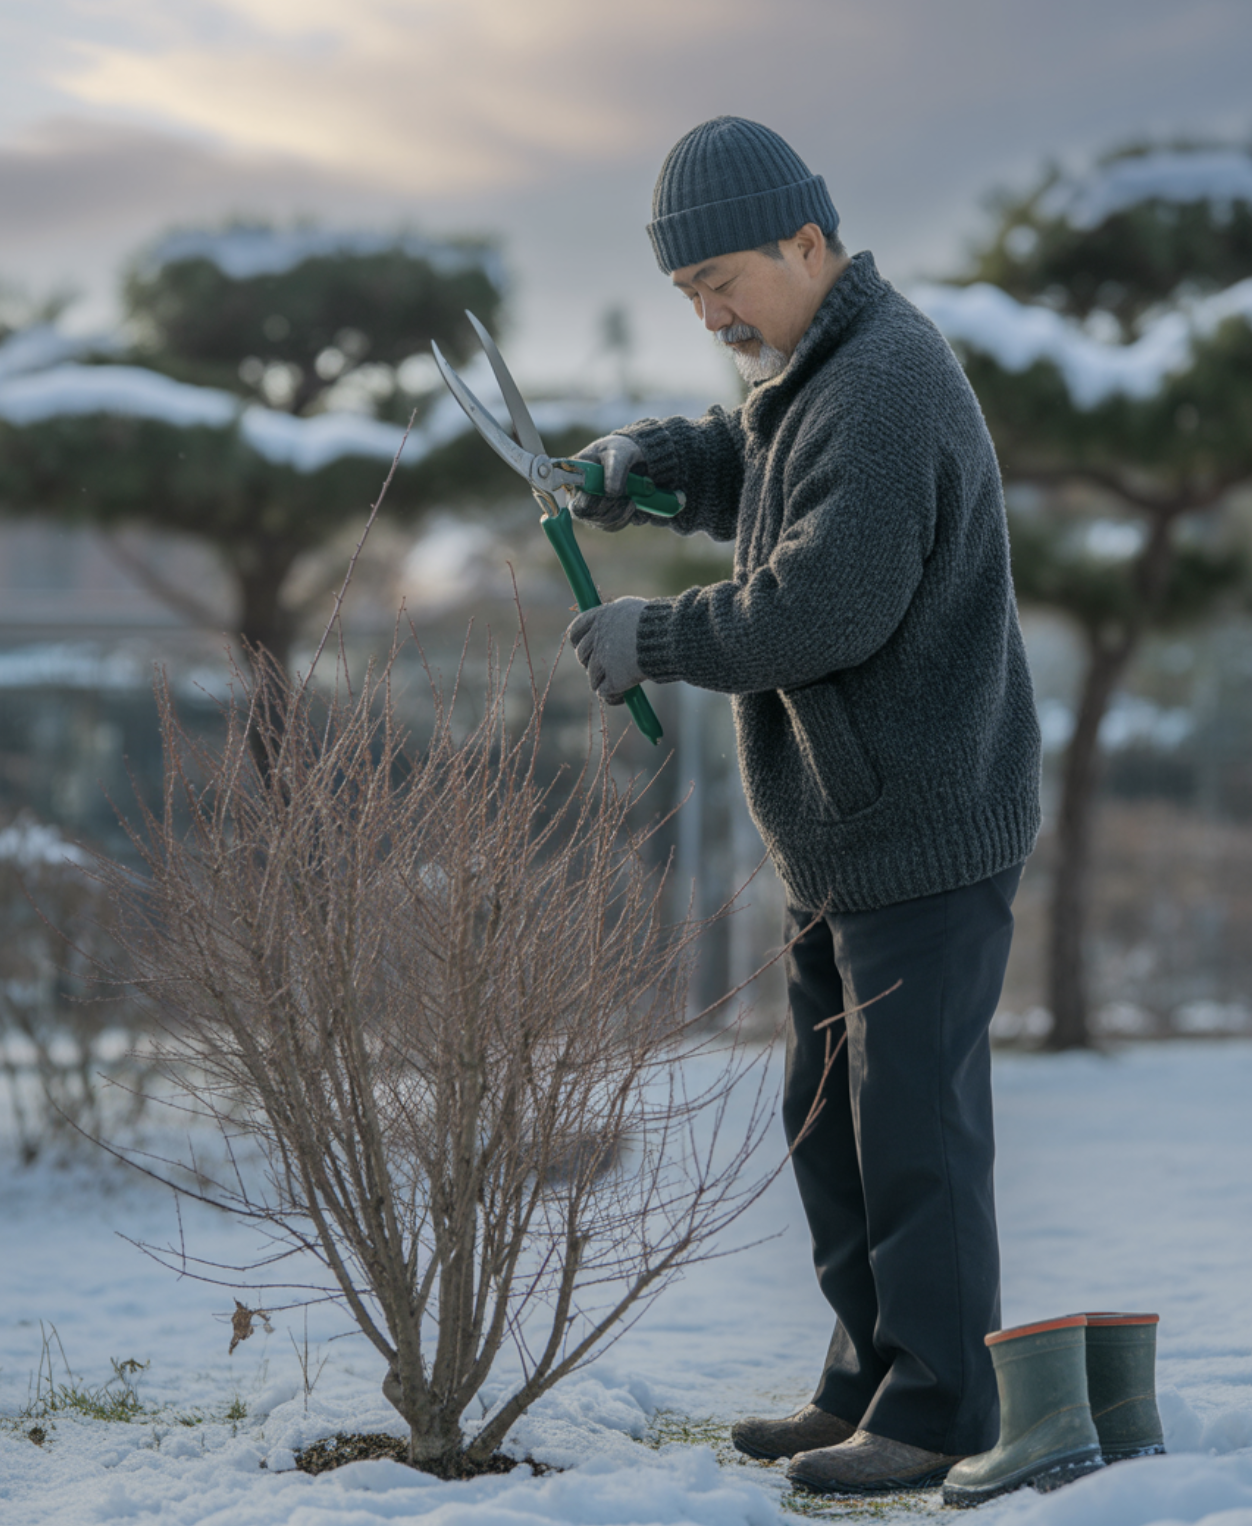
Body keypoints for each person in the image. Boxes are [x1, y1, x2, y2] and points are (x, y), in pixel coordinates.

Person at [566, 116, 1041, 1496]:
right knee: (828, 1121)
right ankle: (867, 1379)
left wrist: (659, 635)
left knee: (915, 1137)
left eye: (722, 278)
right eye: (687, 294)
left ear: (809, 241)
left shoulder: (889, 381)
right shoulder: (817, 370)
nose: (711, 311)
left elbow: (825, 604)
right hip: (840, 830)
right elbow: (756, 453)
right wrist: (658, 459)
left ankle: (942, 1409)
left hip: (924, 827)